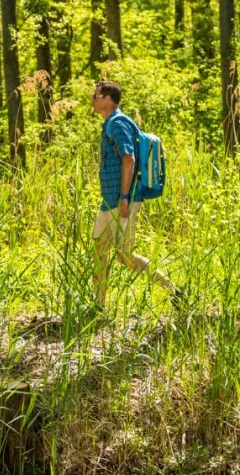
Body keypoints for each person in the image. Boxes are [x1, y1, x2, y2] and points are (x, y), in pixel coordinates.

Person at [91, 81, 183, 309]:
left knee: (124, 255)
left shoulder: (118, 122)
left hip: (124, 198)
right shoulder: (109, 124)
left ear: (108, 99)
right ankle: (98, 305)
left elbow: (128, 158)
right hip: (110, 199)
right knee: (99, 249)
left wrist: (124, 197)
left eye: (96, 95)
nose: (92, 100)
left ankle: (174, 291)